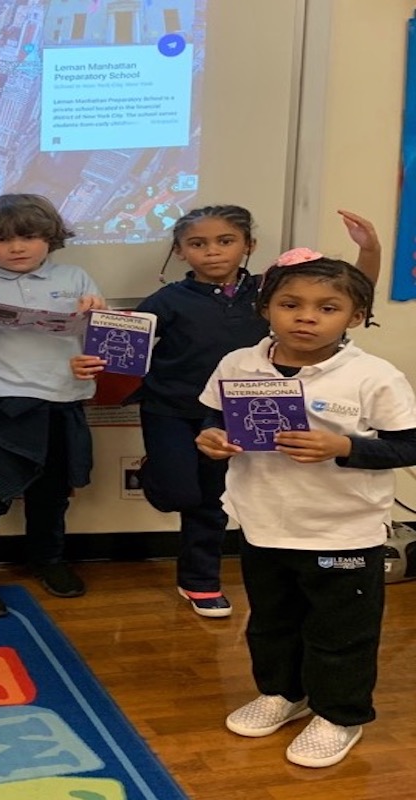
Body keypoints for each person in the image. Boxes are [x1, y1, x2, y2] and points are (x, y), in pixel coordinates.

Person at [71, 207, 380, 617]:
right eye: (198, 244)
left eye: (225, 241)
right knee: (180, 493)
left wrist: (370, 249)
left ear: (248, 246)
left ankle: (200, 582)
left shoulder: (269, 293)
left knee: (212, 500)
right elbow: (121, 348)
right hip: (171, 409)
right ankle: (159, 469)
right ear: (180, 252)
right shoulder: (168, 299)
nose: (212, 252)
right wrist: (89, 361)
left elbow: (348, 292)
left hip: (239, 409)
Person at [195, 249, 416, 768]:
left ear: (354, 316)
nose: (307, 317)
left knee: (340, 633)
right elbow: (208, 420)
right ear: (266, 308)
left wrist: (346, 449)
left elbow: (408, 445)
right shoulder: (239, 363)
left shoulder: (373, 375)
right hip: (262, 522)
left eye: (327, 307)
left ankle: (339, 716)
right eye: (290, 304)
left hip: (342, 532)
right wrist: (210, 438)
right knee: (270, 621)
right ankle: (282, 693)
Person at [0, 194, 105, 616]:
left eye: (29, 236)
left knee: (52, 496)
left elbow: (103, 344)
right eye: (1, 239)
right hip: (0, 404)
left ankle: (48, 561)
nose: (16, 248)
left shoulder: (76, 276)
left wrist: (99, 327)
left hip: (63, 401)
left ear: (50, 238)